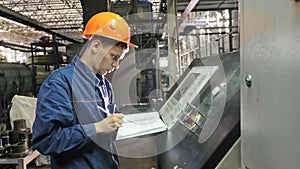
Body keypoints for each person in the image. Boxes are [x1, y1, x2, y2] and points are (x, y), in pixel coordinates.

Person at [32, 12, 137, 169]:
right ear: (96, 46)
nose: (116, 65)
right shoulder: (60, 83)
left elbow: (106, 132)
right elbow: (47, 141)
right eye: (114, 57)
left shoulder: (105, 86)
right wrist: (97, 128)